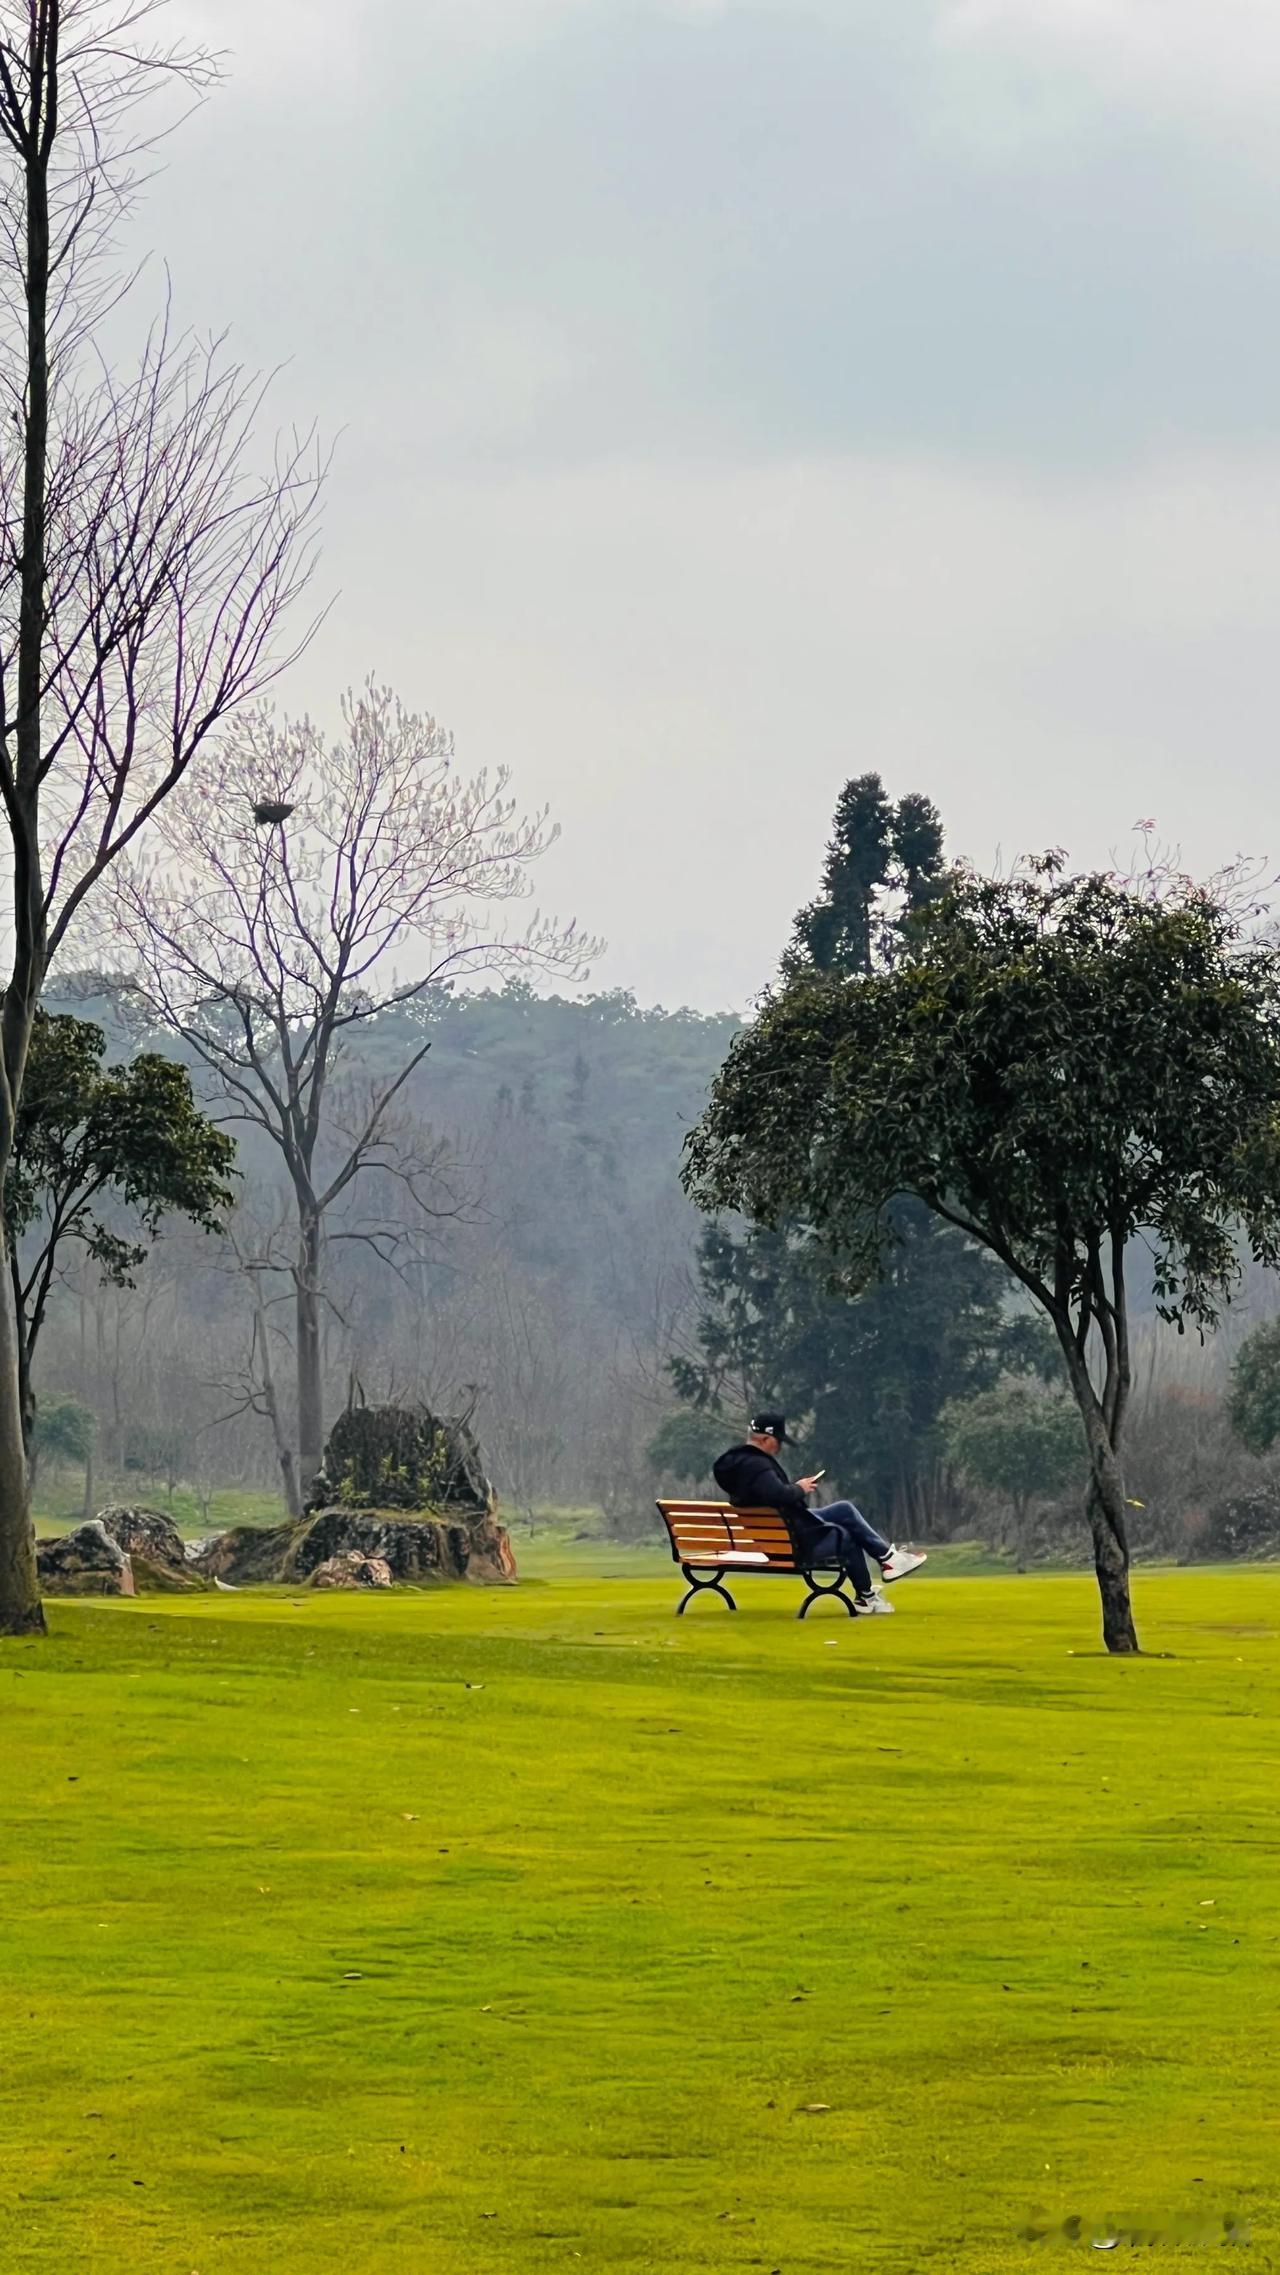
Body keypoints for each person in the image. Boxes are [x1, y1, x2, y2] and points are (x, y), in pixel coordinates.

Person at [713, 1410, 926, 1615]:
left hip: (774, 1537)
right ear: (767, 1439)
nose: (779, 1448)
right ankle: (874, 1582)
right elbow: (777, 1494)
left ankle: (881, 1570)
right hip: (795, 1543)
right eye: (778, 1442)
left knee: (843, 1509)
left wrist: (794, 1488)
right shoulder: (757, 1465)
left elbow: (768, 1494)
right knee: (848, 1532)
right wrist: (799, 1489)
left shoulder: (736, 1464)